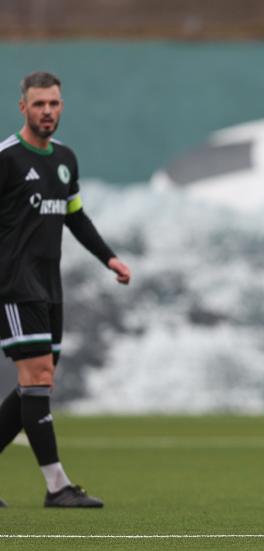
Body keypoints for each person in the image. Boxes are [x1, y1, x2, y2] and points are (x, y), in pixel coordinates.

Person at [0, 72, 131, 508]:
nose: (47, 111)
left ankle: (56, 486)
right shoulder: (7, 159)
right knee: (36, 379)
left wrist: (108, 257)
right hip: (14, 286)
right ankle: (57, 486)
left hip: (49, 286)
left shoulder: (65, 159)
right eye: (39, 104)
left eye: (54, 103)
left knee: (35, 386)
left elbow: (75, 215)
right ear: (23, 107)